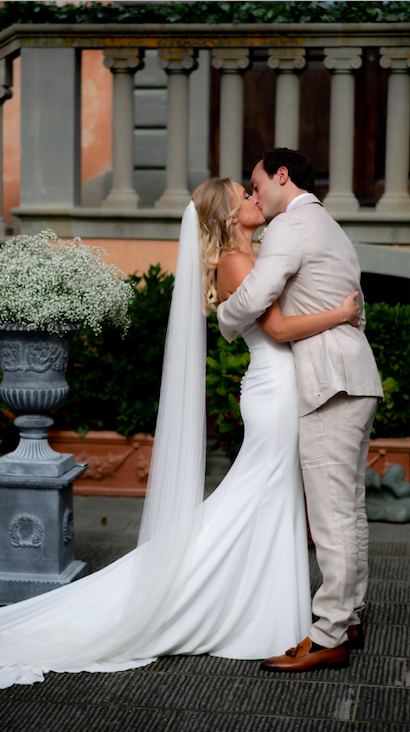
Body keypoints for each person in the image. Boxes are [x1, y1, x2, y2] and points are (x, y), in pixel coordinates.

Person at [0, 177, 362, 693]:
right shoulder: (237, 263)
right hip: (276, 391)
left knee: (268, 496)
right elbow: (279, 328)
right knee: (264, 494)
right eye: (244, 196)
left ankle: (261, 607)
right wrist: (342, 313)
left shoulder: (257, 252)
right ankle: (245, 608)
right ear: (226, 216)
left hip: (280, 389)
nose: (253, 199)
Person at [217, 149, 383, 672]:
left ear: (281, 176)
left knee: (332, 517)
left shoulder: (291, 225)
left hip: (329, 381)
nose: (255, 193)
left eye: (256, 182)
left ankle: (329, 632)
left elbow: (259, 293)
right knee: (349, 508)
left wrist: (224, 315)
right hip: (356, 375)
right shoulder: (328, 224)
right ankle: (350, 615)